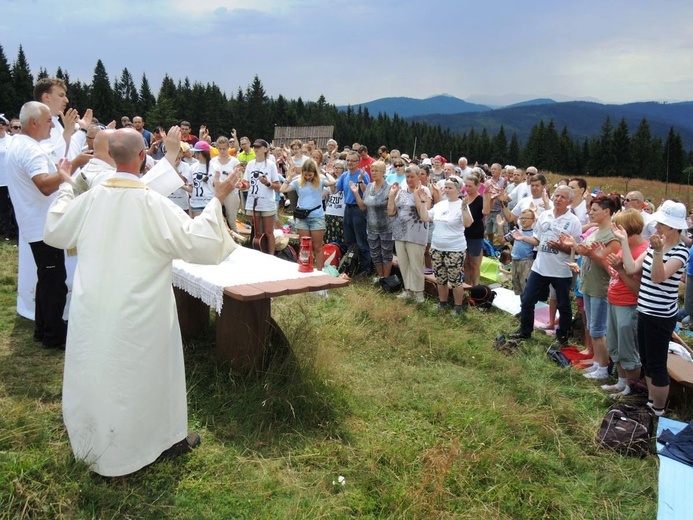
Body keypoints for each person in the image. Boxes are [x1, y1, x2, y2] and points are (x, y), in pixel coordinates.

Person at [43, 125, 239, 477]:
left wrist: (64, 185)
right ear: (141, 156)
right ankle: (154, 442)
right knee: (146, 374)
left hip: (96, 306)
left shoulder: (91, 198)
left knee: (103, 372)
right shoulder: (151, 203)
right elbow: (200, 243)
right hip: (142, 310)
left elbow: (56, 230)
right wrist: (217, 198)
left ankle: (100, 440)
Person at [6, 101, 71, 349]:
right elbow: (44, 185)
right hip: (43, 224)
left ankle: (43, 329)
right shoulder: (31, 150)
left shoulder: (20, 144)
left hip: (34, 222)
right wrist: (68, 170)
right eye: (48, 121)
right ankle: (54, 335)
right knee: (54, 281)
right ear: (33, 122)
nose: (51, 125)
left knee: (47, 278)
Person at [616, 200, 689, 417]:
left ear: (675, 228)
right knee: (647, 360)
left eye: (662, 224)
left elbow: (658, 278)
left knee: (657, 364)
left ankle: (658, 410)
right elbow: (631, 268)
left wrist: (657, 253)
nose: (656, 227)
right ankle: (650, 402)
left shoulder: (680, 252)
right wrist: (624, 243)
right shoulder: (652, 246)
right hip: (645, 310)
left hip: (660, 316)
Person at [507, 186, 582, 344]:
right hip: (540, 267)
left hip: (561, 270)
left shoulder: (573, 221)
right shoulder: (545, 215)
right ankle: (525, 331)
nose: (558, 199)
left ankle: (562, 336)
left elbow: (576, 249)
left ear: (569, 201)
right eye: (556, 195)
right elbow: (537, 240)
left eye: (562, 197)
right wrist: (523, 238)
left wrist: (560, 247)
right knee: (527, 300)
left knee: (563, 304)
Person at [566, 195, 622, 380]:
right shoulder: (596, 231)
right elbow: (585, 251)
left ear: (607, 212)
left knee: (598, 330)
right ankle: (597, 363)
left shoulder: (612, 236)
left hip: (600, 287)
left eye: (595, 210)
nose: (590, 212)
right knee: (592, 327)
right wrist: (572, 244)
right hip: (588, 284)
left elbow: (609, 264)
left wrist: (592, 254)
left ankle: (603, 369)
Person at [603, 209, 647, 398]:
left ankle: (631, 390)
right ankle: (621, 382)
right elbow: (615, 273)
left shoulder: (642, 251)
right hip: (614, 302)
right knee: (615, 345)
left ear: (627, 229)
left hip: (628, 305)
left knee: (628, 350)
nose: (614, 231)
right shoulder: (624, 245)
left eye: (617, 226)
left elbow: (637, 289)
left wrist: (620, 269)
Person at [415, 176, 473, 315]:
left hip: (454, 248)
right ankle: (443, 302)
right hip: (437, 247)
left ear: (458, 189)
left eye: (450, 187)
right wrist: (423, 202)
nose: (446, 190)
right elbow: (424, 217)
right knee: (440, 278)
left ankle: (458, 306)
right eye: (445, 187)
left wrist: (464, 207)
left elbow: (468, 223)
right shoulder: (440, 205)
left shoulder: (462, 205)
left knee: (455, 279)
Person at [281, 158, 335, 270]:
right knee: (304, 245)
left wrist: (325, 172)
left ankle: (320, 271)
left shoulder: (320, 180)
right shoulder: (297, 181)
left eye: (310, 175)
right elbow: (283, 189)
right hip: (302, 217)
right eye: (305, 175)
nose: (307, 177)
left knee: (318, 246)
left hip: (317, 216)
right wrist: (290, 176)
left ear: (315, 173)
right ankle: (305, 267)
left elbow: (333, 182)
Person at [388, 164, 429, 302]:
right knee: (404, 263)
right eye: (407, 177)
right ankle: (408, 290)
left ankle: (419, 293)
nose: (409, 180)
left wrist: (417, 195)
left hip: (416, 233)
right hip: (400, 232)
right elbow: (391, 211)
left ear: (419, 177)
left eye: (412, 177)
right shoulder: (401, 190)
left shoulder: (424, 191)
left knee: (416, 264)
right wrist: (392, 195)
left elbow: (422, 212)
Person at [350, 161, 392, 281]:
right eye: (372, 170)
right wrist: (356, 193)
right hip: (372, 227)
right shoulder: (369, 187)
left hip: (386, 227)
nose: (373, 173)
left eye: (376, 170)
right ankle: (380, 277)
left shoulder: (389, 188)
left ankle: (387, 279)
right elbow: (363, 207)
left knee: (386, 254)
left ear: (383, 172)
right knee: (375, 254)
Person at [335, 151, 371, 275]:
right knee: (349, 240)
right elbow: (335, 188)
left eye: (352, 161)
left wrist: (360, 181)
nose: (349, 163)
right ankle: (352, 265)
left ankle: (366, 268)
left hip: (358, 209)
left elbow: (367, 192)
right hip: (348, 208)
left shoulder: (363, 174)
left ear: (358, 162)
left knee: (361, 241)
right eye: (348, 160)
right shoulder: (345, 175)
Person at [244, 139, 280, 255]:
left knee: (269, 232)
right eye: (254, 147)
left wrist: (267, 183)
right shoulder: (250, 164)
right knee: (256, 232)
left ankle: (271, 256)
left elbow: (278, 186)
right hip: (253, 202)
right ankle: (258, 254)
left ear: (265, 149)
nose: (256, 149)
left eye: (258, 147)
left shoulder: (271, 165)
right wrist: (241, 185)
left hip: (267, 203)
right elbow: (247, 183)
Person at [463, 170, 491, 287]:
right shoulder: (463, 199)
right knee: (465, 263)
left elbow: (486, 211)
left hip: (475, 234)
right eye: (466, 185)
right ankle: (467, 285)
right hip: (463, 234)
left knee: (474, 263)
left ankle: (475, 287)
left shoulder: (480, 199)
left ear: (476, 186)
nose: (468, 188)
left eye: (470, 186)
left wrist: (485, 196)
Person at [209, 136, 241, 230]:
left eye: (224, 149)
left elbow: (238, 177)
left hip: (231, 193)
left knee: (231, 221)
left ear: (228, 148)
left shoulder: (235, 161)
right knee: (216, 220)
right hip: (217, 193)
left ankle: (235, 241)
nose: (222, 151)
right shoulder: (213, 161)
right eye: (220, 149)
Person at [0, 114, 17, 240]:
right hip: (0, 180)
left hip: (12, 178)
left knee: (15, 206)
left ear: (6, 126)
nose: (0, 126)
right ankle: (8, 233)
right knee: (4, 208)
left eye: (2, 124)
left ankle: (17, 232)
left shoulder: (12, 140)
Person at [189, 141, 215, 217]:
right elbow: (191, 188)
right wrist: (180, 185)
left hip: (210, 204)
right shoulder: (192, 168)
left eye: (198, 152)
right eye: (195, 152)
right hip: (196, 204)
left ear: (204, 153)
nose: (196, 154)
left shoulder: (215, 167)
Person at [324, 160, 346, 246]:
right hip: (330, 211)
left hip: (341, 213)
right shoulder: (332, 180)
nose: (336, 170)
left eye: (339, 168)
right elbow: (323, 193)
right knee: (329, 237)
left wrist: (327, 174)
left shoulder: (345, 179)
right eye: (335, 168)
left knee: (340, 237)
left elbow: (334, 190)